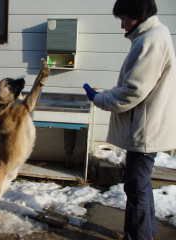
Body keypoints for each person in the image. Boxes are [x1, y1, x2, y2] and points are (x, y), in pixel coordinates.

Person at [83, 0, 176, 239]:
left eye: (124, 18)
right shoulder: (154, 36)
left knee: (136, 188)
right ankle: (146, 232)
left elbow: (132, 91)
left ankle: (139, 236)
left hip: (146, 130)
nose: (122, 25)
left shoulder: (151, 41)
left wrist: (99, 98)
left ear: (138, 15)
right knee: (140, 186)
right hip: (147, 126)